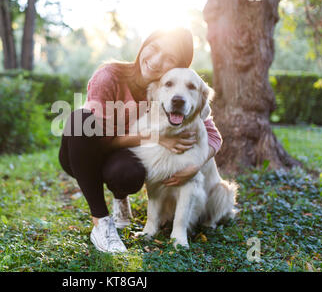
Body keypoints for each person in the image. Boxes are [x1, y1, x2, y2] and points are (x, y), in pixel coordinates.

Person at [58, 27, 222, 253]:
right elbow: (97, 137)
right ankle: (101, 223)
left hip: (121, 159)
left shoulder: (170, 88)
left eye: (170, 58)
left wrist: (196, 165)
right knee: (80, 119)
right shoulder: (109, 76)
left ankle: (120, 196)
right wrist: (156, 136)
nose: (155, 60)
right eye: (153, 48)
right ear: (143, 46)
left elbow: (213, 134)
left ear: (179, 66)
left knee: (130, 171)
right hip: (85, 153)